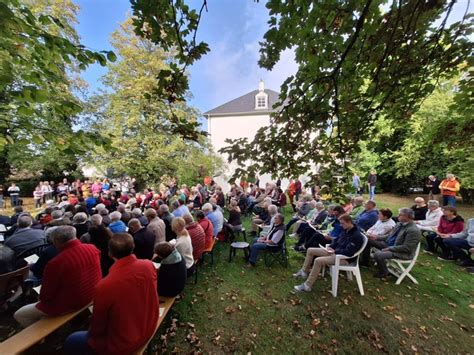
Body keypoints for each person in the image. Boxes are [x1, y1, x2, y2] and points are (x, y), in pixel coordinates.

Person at [64, 233, 159, 354]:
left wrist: (94, 339)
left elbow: (98, 326)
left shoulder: (105, 285)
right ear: (133, 247)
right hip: (148, 324)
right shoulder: (147, 265)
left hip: (126, 341)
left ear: (110, 253)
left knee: (72, 340)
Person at [14, 226, 101, 327]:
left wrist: (41, 301)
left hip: (72, 303)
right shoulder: (92, 248)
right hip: (93, 293)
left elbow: (45, 296)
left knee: (20, 314)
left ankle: (41, 337)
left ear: (56, 241)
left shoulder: (56, 263)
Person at [293, 214, 364, 292]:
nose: (341, 225)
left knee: (318, 260)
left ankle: (307, 286)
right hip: (335, 252)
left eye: (342, 223)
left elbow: (349, 252)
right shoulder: (346, 229)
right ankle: (304, 272)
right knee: (310, 250)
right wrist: (331, 246)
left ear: (349, 222)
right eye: (340, 223)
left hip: (344, 258)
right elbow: (337, 240)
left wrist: (335, 251)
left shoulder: (356, 235)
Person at [373, 208, 421, 278]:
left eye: (400, 215)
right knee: (369, 240)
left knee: (378, 255)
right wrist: (376, 237)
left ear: (407, 217)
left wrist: (390, 248)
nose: (398, 216)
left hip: (402, 252)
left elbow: (407, 248)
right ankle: (365, 262)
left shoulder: (413, 230)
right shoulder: (400, 224)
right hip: (390, 245)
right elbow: (389, 236)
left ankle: (384, 272)